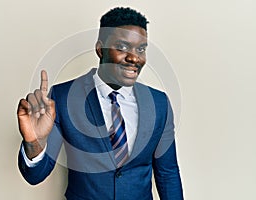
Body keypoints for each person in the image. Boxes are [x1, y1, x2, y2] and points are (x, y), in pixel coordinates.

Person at [17, 7, 183, 200]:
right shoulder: (62, 97)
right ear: (100, 49)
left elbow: (168, 173)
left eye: (141, 49)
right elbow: (35, 176)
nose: (134, 58)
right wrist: (35, 142)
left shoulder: (159, 103)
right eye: (122, 47)